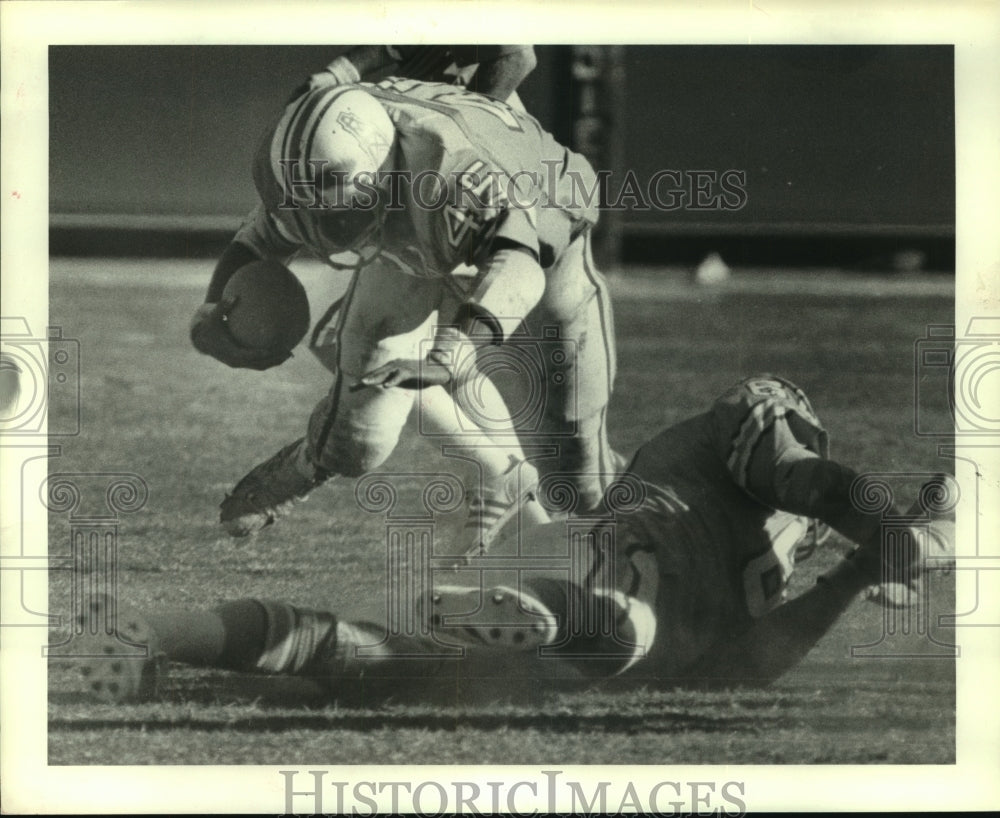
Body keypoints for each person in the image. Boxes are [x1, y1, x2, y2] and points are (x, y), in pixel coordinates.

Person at [71, 375, 955, 703]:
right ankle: (535, 608)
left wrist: (851, 576)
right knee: (616, 619)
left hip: (563, 593)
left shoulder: (785, 541)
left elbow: (736, 670)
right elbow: (809, 477)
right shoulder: (763, 432)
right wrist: (886, 537)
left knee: (362, 663)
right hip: (584, 577)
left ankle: (151, 630)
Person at [189, 74, 620, 556]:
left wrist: (450, 355)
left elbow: (519, 268)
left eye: (337, 220)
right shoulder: (330, 161)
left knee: (576, 474)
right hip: (412, 220)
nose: (322, 235)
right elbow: (258, 240)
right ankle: (310, 463)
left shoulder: (451, 175)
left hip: (543, 235)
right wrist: (216, 311)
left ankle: (620, 553)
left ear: (381, 172)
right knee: (358, 423)